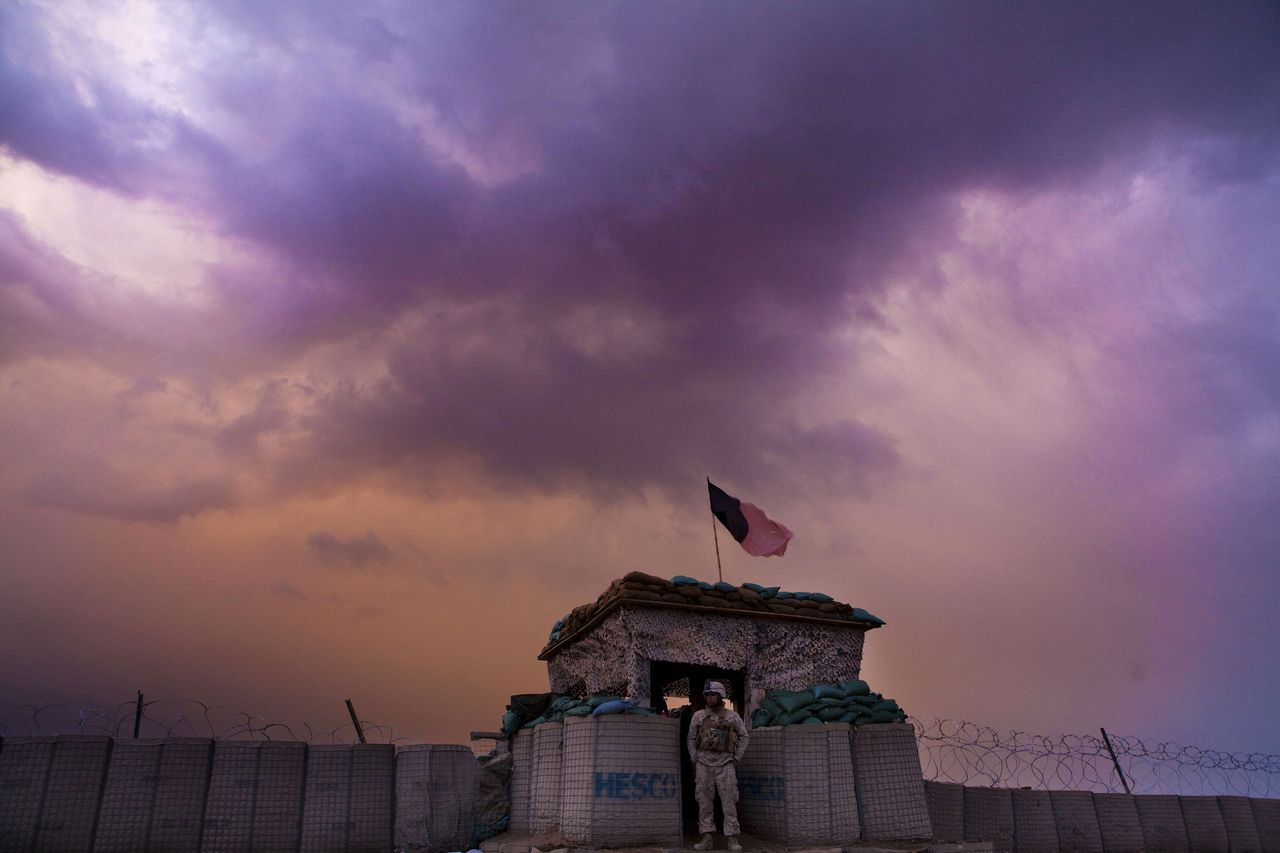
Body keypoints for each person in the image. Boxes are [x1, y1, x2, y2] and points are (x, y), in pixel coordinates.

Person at [686, 681, 749, 852]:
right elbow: (691, 738)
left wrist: (736, 758)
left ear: (720, 696)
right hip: (704, 764)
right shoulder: (699, 716)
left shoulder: (732, 716)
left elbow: (744, 736)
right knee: (704, 801)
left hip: (725, 764)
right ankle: (706, 837)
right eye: (707, 694)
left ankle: (732, 838)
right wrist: (695, 758)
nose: (709, 697)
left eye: (712, 694)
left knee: (729, 801)